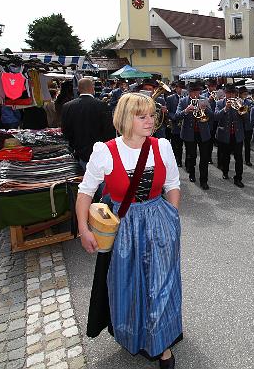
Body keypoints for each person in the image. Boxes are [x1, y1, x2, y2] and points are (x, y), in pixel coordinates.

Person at [76, 93, 181, 368]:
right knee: (129, 283)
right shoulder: (106, 151)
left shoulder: (163, 146)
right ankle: (134, 334)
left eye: (152, 115)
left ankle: (162, 345)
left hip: (159, 222)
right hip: (124, 227)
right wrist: (83, 228)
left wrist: (172, 216)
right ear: (125, 118)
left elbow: (172, 183)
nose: (151, 121)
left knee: (161, 284)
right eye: (142, 116)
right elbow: (85, 191)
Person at [61, 78, 116, 170]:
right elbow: (109, 130)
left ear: (78, 89)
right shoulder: (102, 105)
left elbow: (65, 131)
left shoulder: (67, 106)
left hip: (78, 151)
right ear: (92, 89)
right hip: (99, 151)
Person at [176, 82, 213, 190]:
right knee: (191, 156)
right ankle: (192, 173)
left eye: (197, 91)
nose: (195, 94)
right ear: (189, 92)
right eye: (193, 92)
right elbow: (177, 116)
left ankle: (204, 181)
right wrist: (186, 110)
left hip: (203, 133)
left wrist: (205, 108)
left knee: (204, 158)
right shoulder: (183, 101)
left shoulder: (204, 99)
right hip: (189, 133)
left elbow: (212, 116)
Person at [214, 85, 245, 188]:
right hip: (225, 135)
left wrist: (240, 109)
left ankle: (238, 178)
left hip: (237, 135)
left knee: (239, 158)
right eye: (229, 93)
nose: (231, 95)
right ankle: (225, 171)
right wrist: (225, 108)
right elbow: (215, 117)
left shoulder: (240, 102)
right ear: (225, 93)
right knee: (225, 156)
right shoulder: (219, 103)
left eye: (233, 93)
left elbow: (246, 117)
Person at [166, 82, 185, 167]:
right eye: (179, 88)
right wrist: (174, 117)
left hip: (186, 124)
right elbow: (168, 111)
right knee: (176, 145)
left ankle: (188, 164)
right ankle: (178, 160)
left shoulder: (188, 98)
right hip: (175, 124)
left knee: (187, 146)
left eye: (182, 88)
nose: (180, 90)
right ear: (176, 88)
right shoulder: (170, 98)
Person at [239, 87, 254, 166]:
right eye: (244, 94)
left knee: (247, 144)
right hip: (239, 125)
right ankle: (239, 159)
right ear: (240, 94)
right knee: (239, 144)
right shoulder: (237, 101)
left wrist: (248, 109)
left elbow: (252, 112)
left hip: (248, 125)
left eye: (246, 94)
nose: (246, 95)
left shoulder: (249, 102)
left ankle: (247, 160)